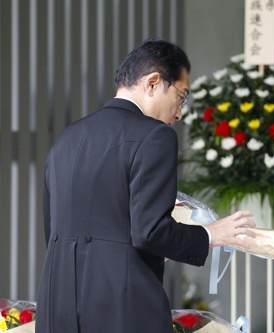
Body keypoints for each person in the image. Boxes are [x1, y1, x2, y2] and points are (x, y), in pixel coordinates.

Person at [36, 40, 256, 333]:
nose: (179, 113)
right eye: (181, 96)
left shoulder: (66, 139)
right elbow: (150, 232)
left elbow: (55, 233)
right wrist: (210, 234)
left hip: (56, 306)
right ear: (153, 82)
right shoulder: (155, 136)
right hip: (122, 308)